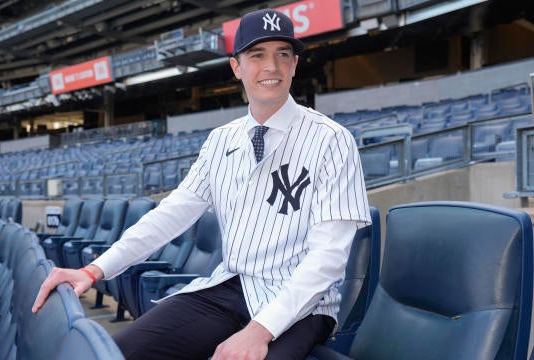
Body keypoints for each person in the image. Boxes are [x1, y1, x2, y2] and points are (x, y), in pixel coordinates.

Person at [33, 8, 371, 360]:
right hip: (231, 287)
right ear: (236, 68)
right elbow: (171, 214)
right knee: (118, 352)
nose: (272, 66)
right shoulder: (220, 140)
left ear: (295, 64)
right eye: (257, 55)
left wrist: (258, 331)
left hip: (303, 305)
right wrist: (93, 269)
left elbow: (328, 258)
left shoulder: (332, 139)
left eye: (283, 54)